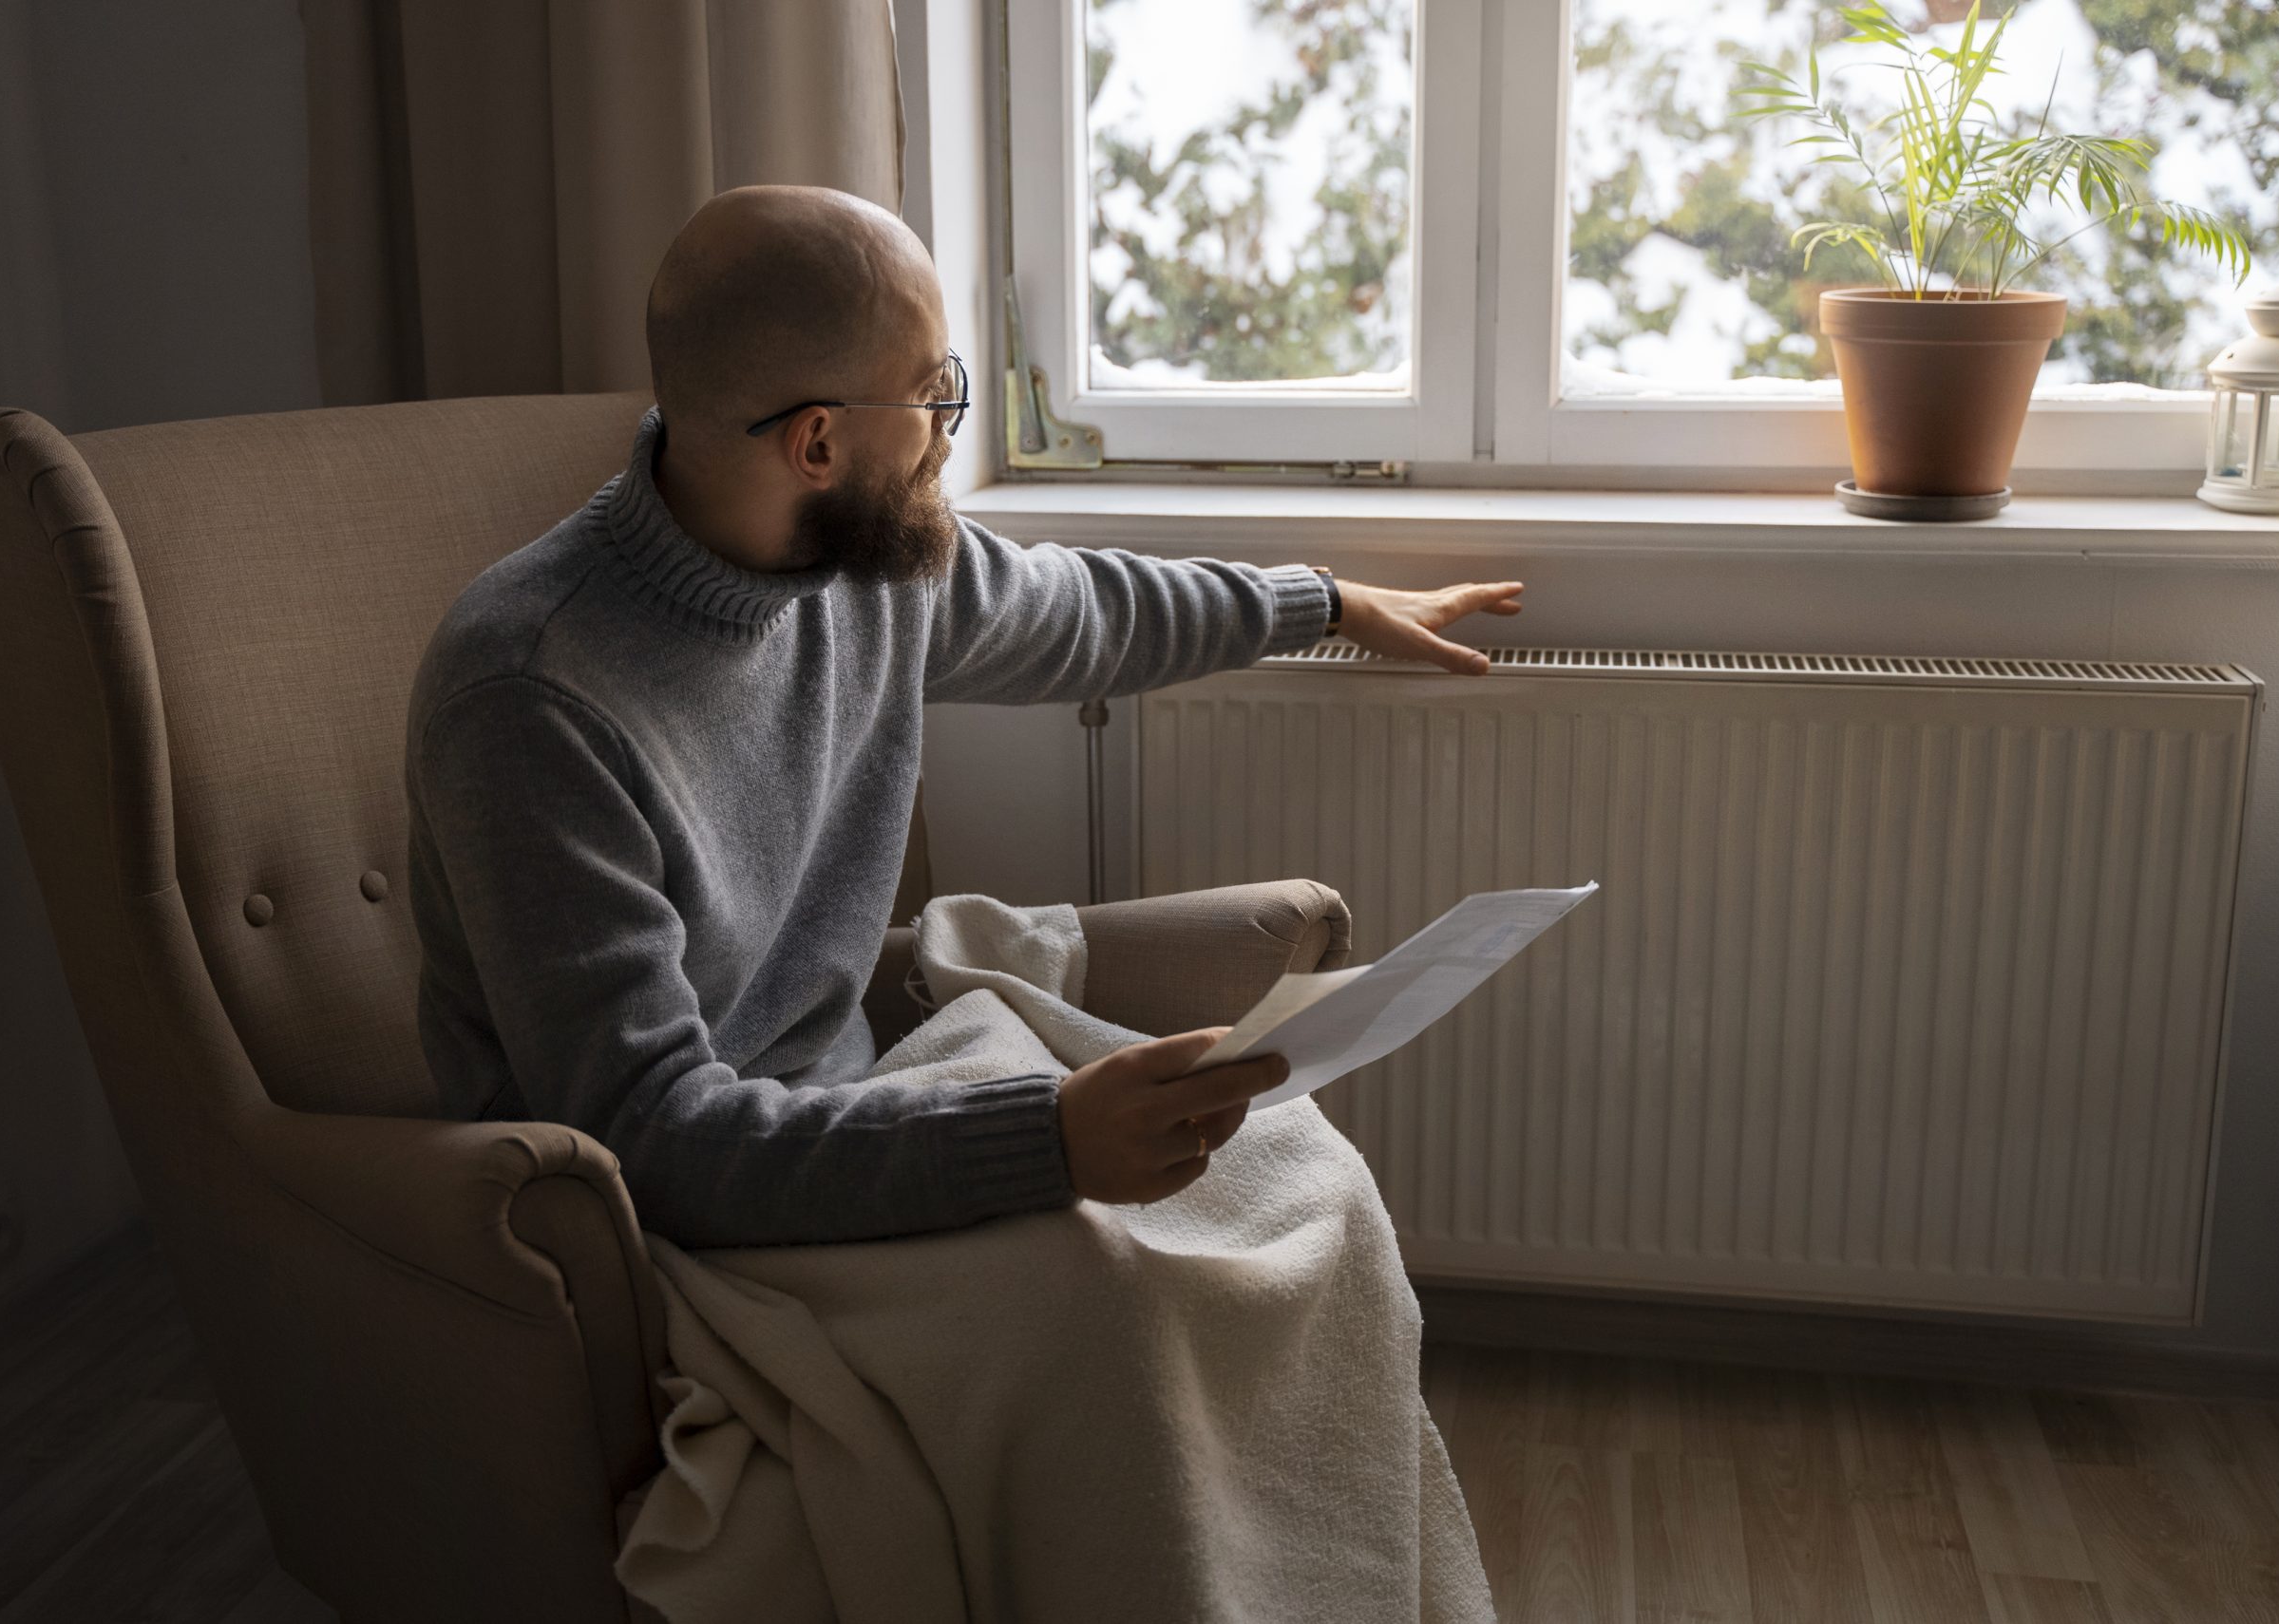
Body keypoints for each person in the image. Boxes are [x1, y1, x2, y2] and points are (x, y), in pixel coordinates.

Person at [405, 184, 1525, 1249]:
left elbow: (1087, 610)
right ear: (819, 444)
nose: (948, 429)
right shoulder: (531, 700)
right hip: (662, 1225)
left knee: (1298, 1188)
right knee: (1141, 1289)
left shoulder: (858, 564)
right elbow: (646, 1137)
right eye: (934, 389)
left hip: (847, 1108)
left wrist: (1322, 601)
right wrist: (1043, 1142)